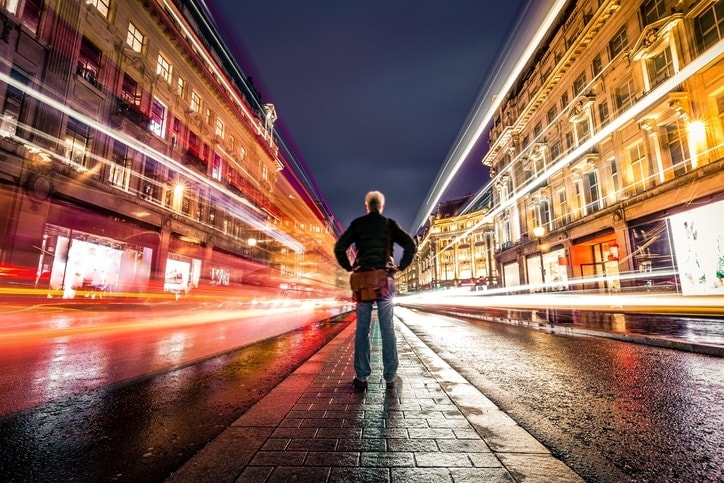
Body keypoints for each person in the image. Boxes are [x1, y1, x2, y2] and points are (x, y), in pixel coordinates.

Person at [334, 191, 417, 390]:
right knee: (387, 328)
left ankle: (362, 377)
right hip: (384, 280)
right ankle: (390, 377)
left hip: (363, 281)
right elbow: (410, 246)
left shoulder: (357, 224)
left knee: (362, 329)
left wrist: (349, 266)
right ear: (381, 207)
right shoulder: (389, 224)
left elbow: (340, 247)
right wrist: (400, 266)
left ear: (366, 206)